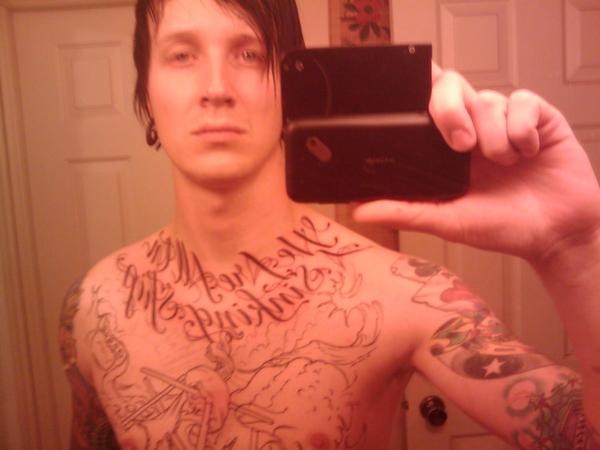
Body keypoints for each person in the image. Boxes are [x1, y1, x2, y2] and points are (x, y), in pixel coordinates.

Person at [58, 0, 600, 448]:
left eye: (249, 53)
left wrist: (576, 250)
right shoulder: (96, 307)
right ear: (146, 91)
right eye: (182, 55)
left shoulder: (400, 296)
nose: (216, 87)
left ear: (294, 88)